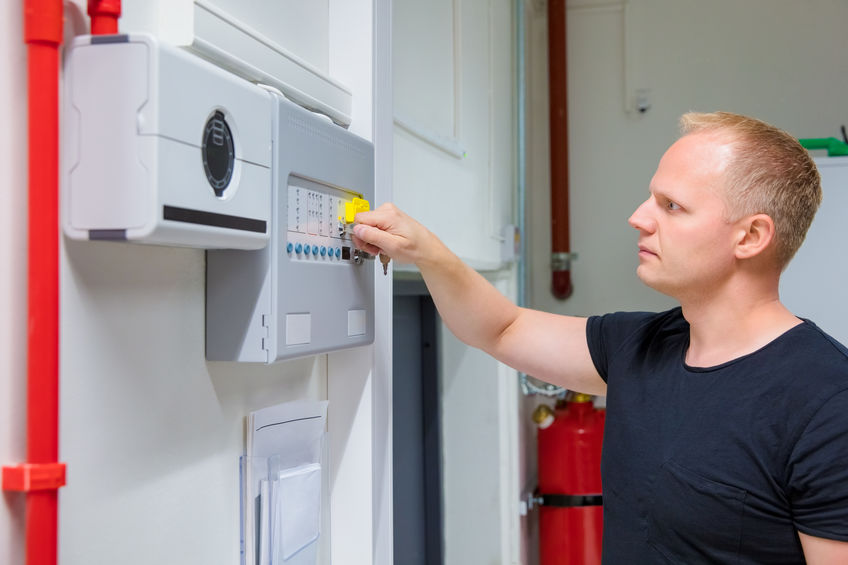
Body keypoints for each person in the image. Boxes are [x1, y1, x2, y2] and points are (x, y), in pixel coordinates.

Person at [352, 111, 848, 564]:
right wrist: (429, 253)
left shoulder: (827, 400)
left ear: (750, 237)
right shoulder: (638, 345)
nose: (639, 217)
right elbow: (501, 328)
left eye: (671, 206)